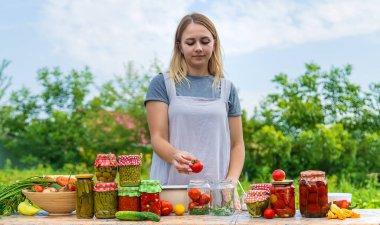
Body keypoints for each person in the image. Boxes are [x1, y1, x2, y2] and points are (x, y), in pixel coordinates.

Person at [145, 13, 245, 209]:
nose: (198, 48)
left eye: (204, 41)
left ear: (214, 44)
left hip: (216, 194)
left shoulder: (227, 88)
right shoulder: (162, 84)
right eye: (190, 42)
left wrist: (230, 183)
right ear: (179, 46)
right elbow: (157, 138)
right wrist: (174, 155)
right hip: (171, 191)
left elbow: (237, 145)